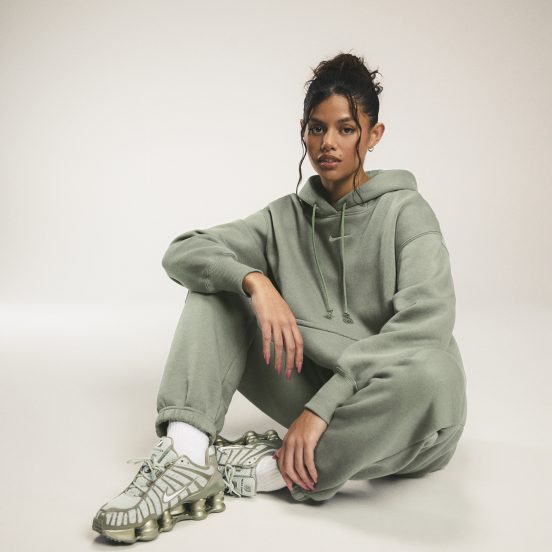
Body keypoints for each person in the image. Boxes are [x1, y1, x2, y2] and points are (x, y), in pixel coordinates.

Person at [92, 52, 468, 544]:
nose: (328, 143)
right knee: (217, 288)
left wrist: (323, 408)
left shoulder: (407, 213)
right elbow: (184, 251)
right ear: (303, 131)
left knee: (435, 374)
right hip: (312, 389)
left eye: (346, 129)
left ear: (374, 135)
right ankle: (185, 459)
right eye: (317, 128)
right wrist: (255, 281)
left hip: (393, 410)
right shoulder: (283, 218)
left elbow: (426, 325)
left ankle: (268, 470)